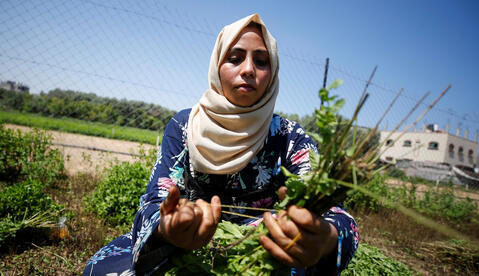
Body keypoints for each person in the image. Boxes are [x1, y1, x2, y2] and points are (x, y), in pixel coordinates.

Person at [83, 14, 358, 275]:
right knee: (102, 269)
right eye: (235, 58)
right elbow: (155, 200)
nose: (248, 70)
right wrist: (169, 228)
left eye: (261, 62)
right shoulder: (184, 126)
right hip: (183, 246)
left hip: (259, 250)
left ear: (272, 74)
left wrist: (324, 239)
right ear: (216, 65)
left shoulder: (288, 137)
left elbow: (337, 214)